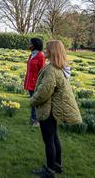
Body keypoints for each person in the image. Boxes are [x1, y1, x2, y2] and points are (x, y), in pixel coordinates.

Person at [30, 40, 82, 178]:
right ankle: (57, 166)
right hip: (54, 109)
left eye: (46, 49)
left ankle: (50, 171)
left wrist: (32, 101)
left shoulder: (52, 70)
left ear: (52, 52)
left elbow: (44, 92)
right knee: (54, 138)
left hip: (49, 110)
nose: (44, 51)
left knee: (49, 141)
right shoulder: (59, 67)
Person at [24, 38, 45, 127]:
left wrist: (40, 83)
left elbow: (42, 71)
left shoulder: (40, 56)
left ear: (34, 45)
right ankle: (33, 119)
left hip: (35, 83)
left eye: (30, 43)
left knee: (35, 102)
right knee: (32, 101)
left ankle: (36, 121)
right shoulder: (31, 55)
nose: (29, 44)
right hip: (29, 81)